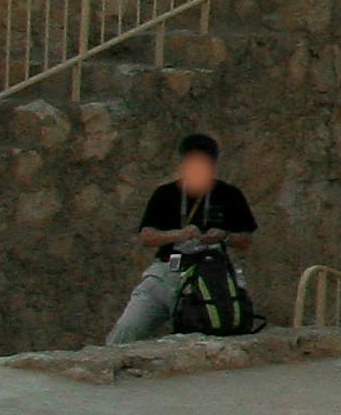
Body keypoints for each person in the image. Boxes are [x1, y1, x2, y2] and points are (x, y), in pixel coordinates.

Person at [108, 134, 258, 344]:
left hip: (212, 274)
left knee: (217, 330)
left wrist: (223, 236)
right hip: (170, 268)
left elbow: (246, 240)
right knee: (126, 330)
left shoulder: (229, 195)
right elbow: (146, 236)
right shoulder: (166, 194)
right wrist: (178, 234)